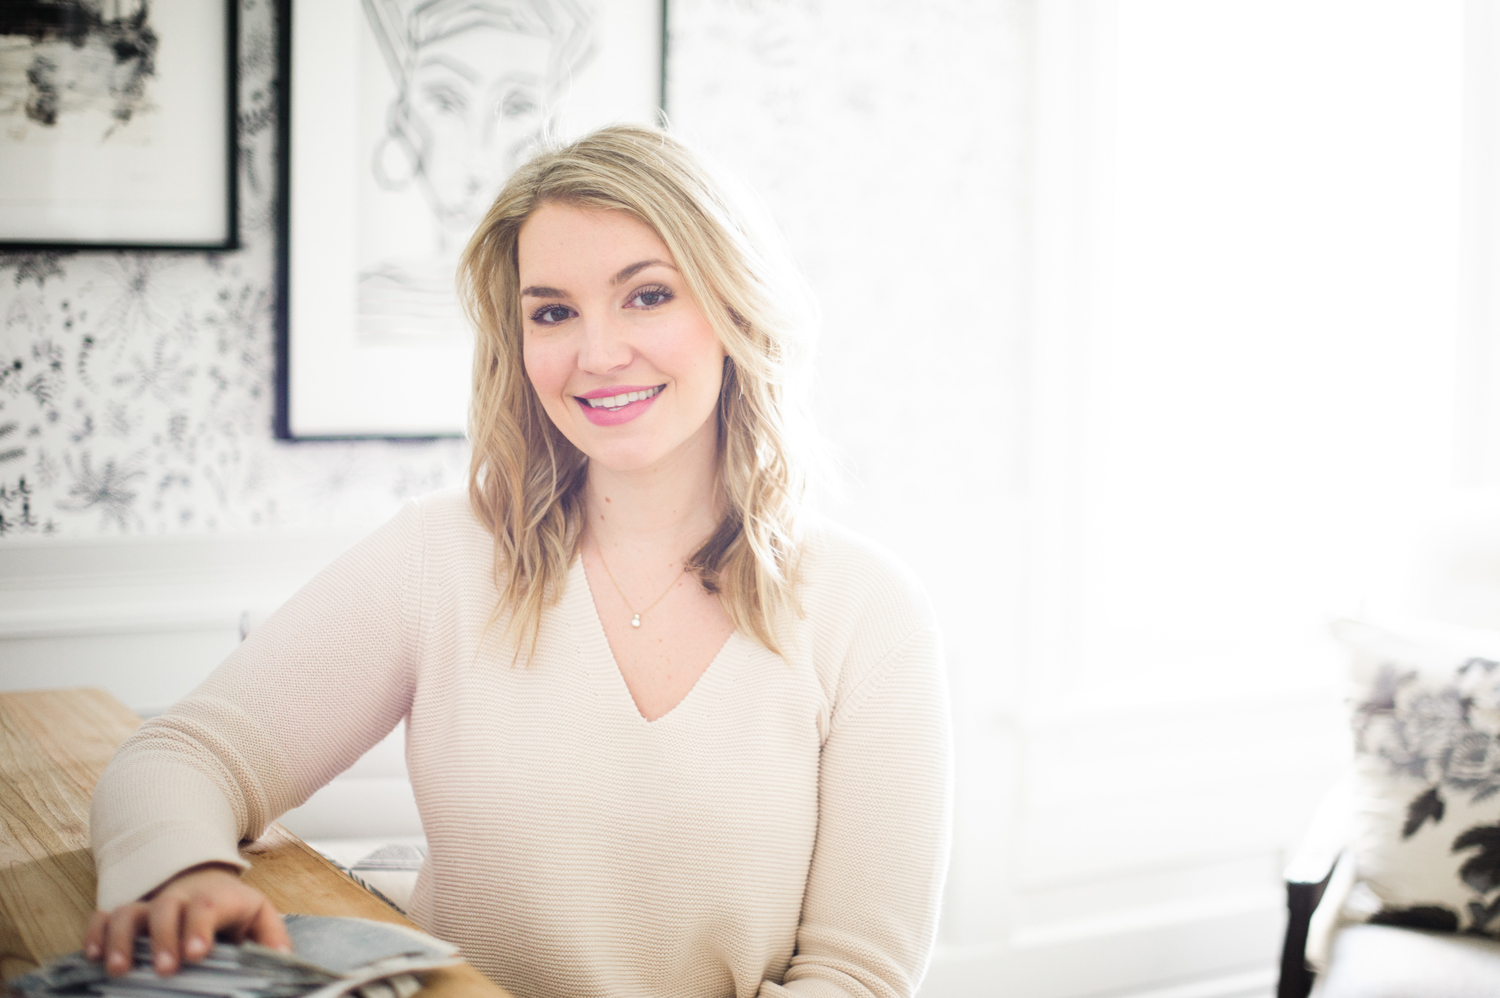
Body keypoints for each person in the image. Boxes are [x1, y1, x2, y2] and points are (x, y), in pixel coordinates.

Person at [87, 125, 953, 998]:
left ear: (732, 308)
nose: (597, 353)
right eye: (553, 312)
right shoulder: (441, 555)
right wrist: (183, 877)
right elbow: (185, 756)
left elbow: (855, 976)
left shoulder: (866, 611)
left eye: (647, 296)